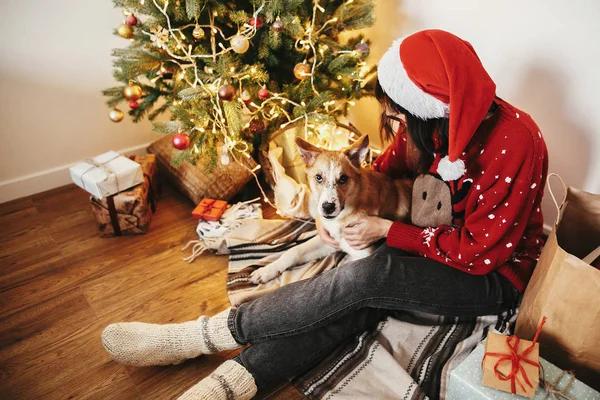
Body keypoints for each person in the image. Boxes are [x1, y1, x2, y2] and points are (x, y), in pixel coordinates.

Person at [101, 29, 548, 399]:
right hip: (433, 241)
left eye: (397, 116)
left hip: (492, 275)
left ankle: (203, 336)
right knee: (354, 300)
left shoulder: (516, 142)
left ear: (428, 110)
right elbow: (372, 173)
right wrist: (325, 215)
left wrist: (388, 229)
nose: (391, 123)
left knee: (370, 277)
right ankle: (229, 385)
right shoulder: (424, 124)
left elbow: (478, 254)